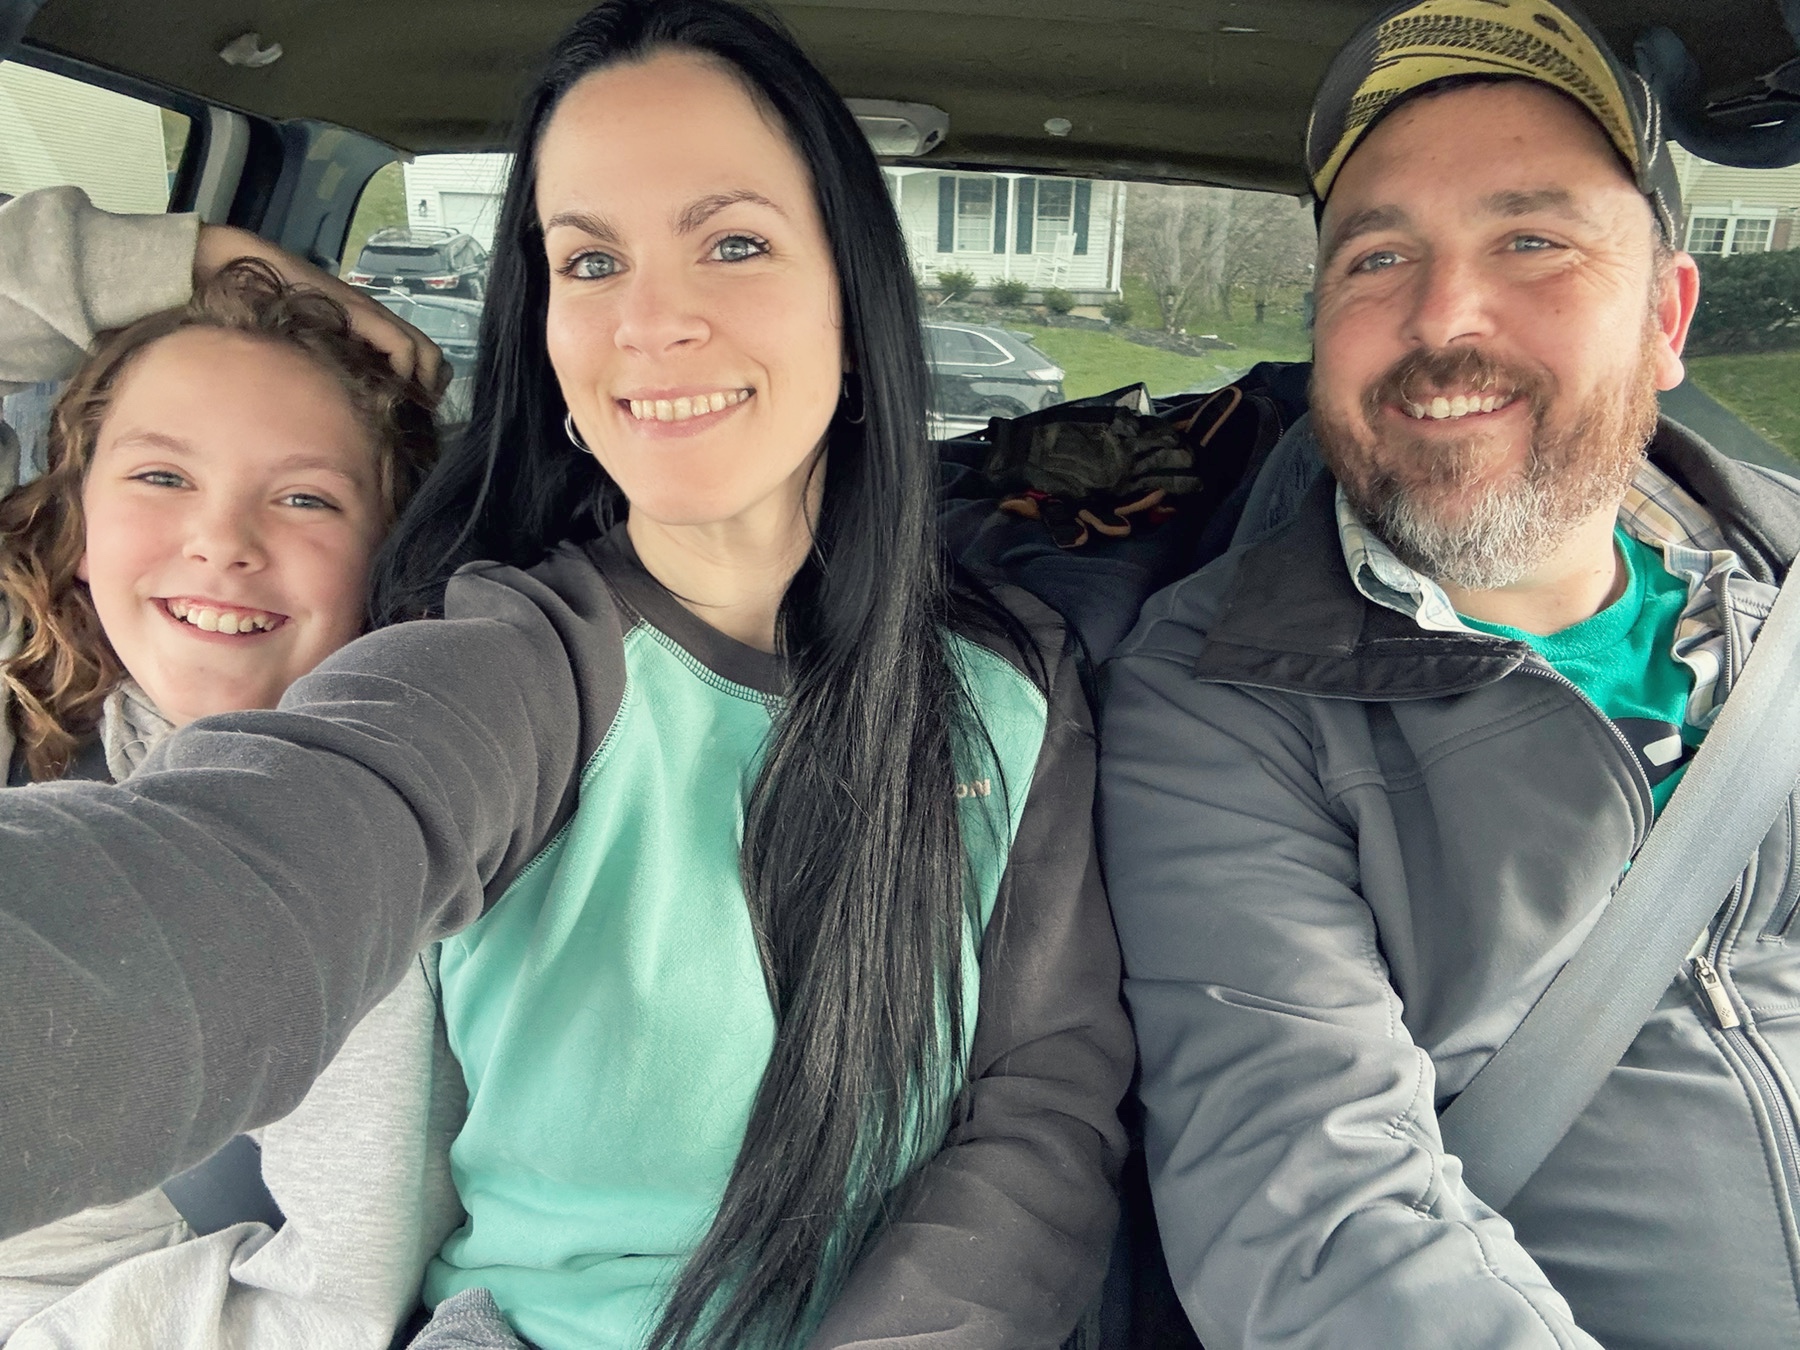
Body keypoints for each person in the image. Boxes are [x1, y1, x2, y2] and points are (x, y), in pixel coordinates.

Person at [0, 3, 1132, 1348]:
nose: (650, 323)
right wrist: (204, 254)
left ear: (851, 287)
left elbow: (1040, 1099)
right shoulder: (496, 662)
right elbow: (246, 872)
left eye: (732, 242)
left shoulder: (1009, 683)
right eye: (589, 262)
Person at [1101, 1, 1800, 1347]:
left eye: (1530, 240)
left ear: (1667, 314)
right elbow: (1317, 1212)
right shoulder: (1217, 693)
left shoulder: (1783, 584)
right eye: (1378, 257)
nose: (1443, 316)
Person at [0, 258, 461, 1349]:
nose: (223, 541)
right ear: (73, 512)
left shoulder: (361, 847)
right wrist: (186, 251)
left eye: (305, 497)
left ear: (389, 549)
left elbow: (332, 1299)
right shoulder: (61, 727)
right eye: (162, 477)